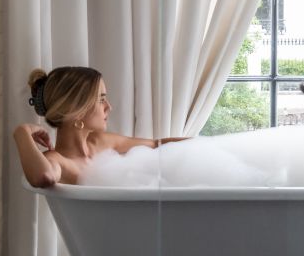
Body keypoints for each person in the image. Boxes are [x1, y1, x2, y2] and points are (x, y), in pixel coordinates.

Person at [12, 66, 186, 187]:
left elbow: (156, 145)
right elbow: (43, 177)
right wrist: (22, 132)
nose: (108, 107)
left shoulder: (100, 142)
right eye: (101, 100)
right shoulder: (58, 160)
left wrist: (200, 145)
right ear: (77, 110)